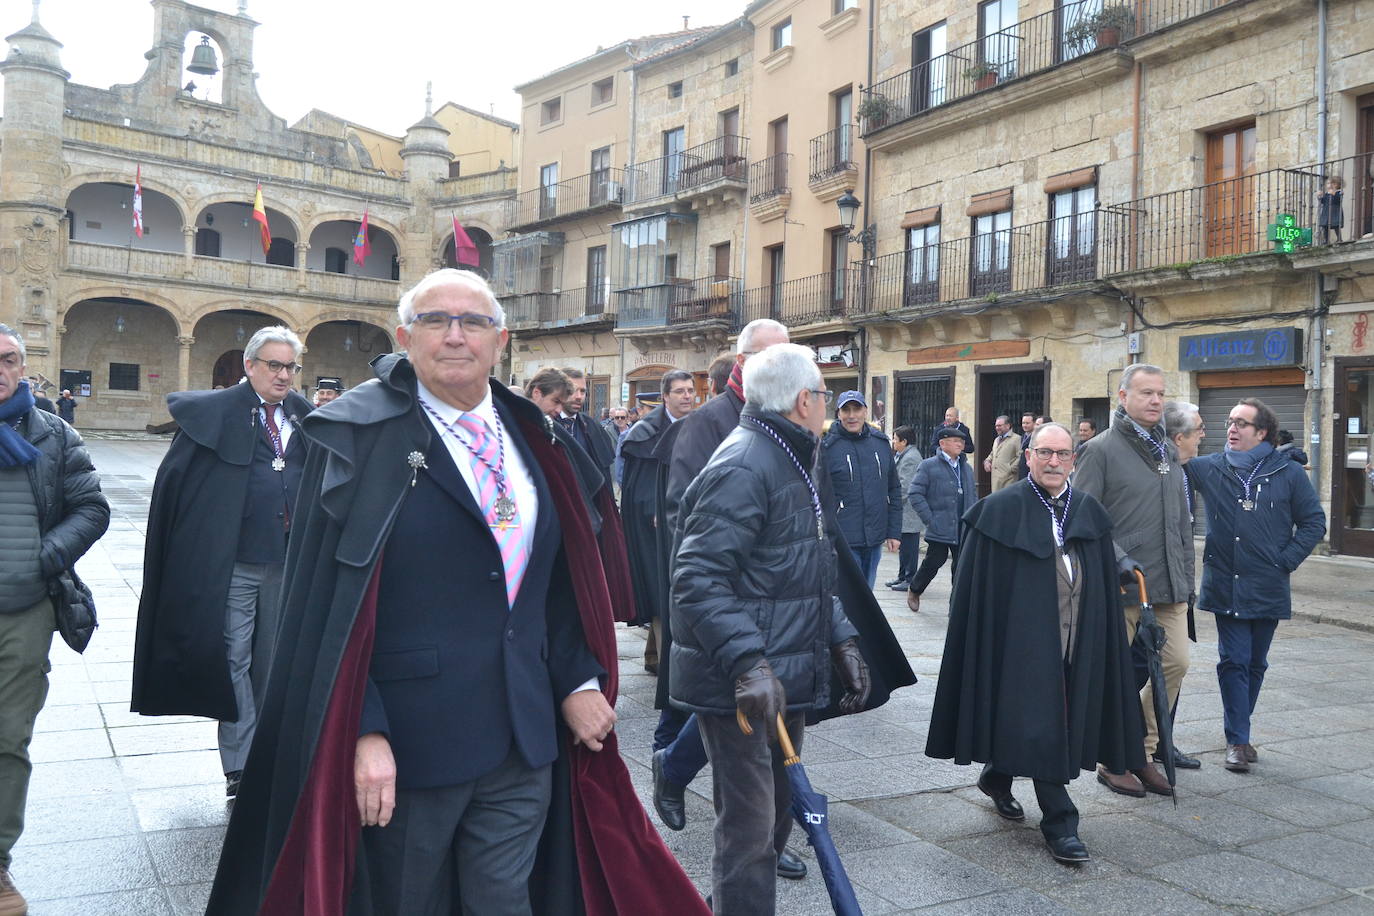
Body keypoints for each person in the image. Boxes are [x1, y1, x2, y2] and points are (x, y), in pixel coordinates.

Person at [207, 269, 704, 915]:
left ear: (500, 340)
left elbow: (553, 584)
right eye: (436, 321)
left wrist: (576, 681)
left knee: (504, 901)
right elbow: (325, 612)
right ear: (405, 336)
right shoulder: (354, 438)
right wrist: (364, 732)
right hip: (413, 748)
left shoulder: (533, 438)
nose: (455, 336)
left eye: (472, 322)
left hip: (524, 738)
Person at [671, 342, 869, 914]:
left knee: (778, 814)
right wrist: (747, 663)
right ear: (804, 399)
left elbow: (803, 565)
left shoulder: (788, 453)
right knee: (751, 830)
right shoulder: (745, 461)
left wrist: (840, 636)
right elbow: (698, 577)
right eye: (825, 394)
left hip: (781, 669)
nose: (828, 405)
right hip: (741, 680)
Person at [926, 423, 1145, 865]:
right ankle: (1061, 822)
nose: (1054, 462)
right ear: (1028, 457)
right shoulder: (998, 511)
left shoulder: (1086, 509)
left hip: (1074, 642)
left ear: (1073, 462)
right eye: (1045, 453)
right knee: (1041, 724)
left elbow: (1097, 568)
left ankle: (997, 775)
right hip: (1019, 648)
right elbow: (974, 591)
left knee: (1047, 722)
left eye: (1063, 455)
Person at [131, 326, 314, 798]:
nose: (283, 375)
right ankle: (241, 766)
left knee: (272, 664)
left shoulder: (304, 417)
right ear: (249, 366)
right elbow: (178, 485)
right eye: (273, 365)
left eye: (290, 367)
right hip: (234, 565)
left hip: (286, 564)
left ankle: (267, 754)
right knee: (234, 659)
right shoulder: (213, 415)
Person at [0, 324, 110, 916]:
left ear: (24, 368)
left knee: (6, 738)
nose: (1, 369)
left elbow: (91, 507)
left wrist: (38, 559)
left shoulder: (52, 434)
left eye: (10, 359)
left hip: (21, 609)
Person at [1185, 398, 1325, 773]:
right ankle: (1237, 739)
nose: (1231, 428)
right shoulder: (1209, 467)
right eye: (1229, 421)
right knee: (1234, 660)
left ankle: (1240, 731)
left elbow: (1313, 522)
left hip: (1268, 583)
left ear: (1262, 433)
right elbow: (1169, 468)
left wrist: (1285, 561)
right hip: (1224, 582)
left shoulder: (1288, 472)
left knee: (1256, 663)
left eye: (1241, 423)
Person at [1075, 364, 1195, 797]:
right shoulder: (1100, 450)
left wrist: (1186, 578)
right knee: (1118, 677)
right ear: (1122, 397)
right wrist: (1119, 561)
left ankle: (1142, 749)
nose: (1156, 401)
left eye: (1160, 393)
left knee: (1175, 663)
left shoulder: (1168, 450)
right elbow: (1084, 518)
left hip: (1169, 584)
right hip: (1124, 584)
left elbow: (1181, 522)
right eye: (1146, 393)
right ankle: (1114, 758)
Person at [620, 369, 695, 675]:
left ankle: (654, 655)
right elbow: (639, 485)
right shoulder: (644, 433)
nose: (688, 396)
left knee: (676, 583)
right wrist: (656, 510)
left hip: (686, 519)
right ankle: (666, 662)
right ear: (665, 397)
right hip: (653, 524)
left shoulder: (699, 426)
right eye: (680, 391)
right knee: (659, 585)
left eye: (691, 390)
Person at [821, 390, 901, 588]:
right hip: (843, 539)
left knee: (867, 595)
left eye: (856, 409)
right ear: (838, 414)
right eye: (845, 410)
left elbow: (894, 489)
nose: (851, 415)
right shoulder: (827, 448)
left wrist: (894, 532)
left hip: (874, 538)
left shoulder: (881, 443)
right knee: (848, 598)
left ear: (865, 411)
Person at [906, 427, 976, 613]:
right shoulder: (929, 466)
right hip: (940, 525)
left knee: (961, 568)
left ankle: (956, 608)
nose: (960, 444)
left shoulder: (966, 468)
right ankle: (915, 589)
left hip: (962, 526)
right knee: (934, 561)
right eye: (955, 441)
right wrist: (930, 519)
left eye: (961, 441)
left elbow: (973, 496)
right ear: (943, 443)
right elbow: (915, 493)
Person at [558, 367, 617, 483]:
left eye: (583, 391)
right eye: (573, 390)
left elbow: (604, 476)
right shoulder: (545, 424)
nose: (579, 396)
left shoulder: (594, 428)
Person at [888, 425, 923, 591]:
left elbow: (904, 486)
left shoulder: (911, 458)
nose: (893, 442)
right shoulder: (903, 454)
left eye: (895, 439)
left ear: (904, 441)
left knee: (910, 546)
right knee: (903, 545)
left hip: (909, 509)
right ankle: (902, 576)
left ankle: (910, 579)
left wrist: (892, 502)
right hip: (903, 510)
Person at [984, 414, 1019, 492]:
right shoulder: (996, 440)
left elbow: (1020, 456)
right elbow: (993, 454)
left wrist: (1010, 469)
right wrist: (987, 461)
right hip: (995, 480)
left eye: (1000, 426)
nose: (997, 428)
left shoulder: (1016, 439)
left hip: (1009, 480)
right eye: (996, 426)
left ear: (1008, 425)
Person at [1317, 175, 1344, 244]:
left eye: (1331, 183)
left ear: (1337, 185)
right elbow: (1323, 201)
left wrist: (1334, 194)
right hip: (1327, 211)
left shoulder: (1339, 192)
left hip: (1335, 211)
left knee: (1336, 226)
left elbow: (1338, 200)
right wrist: (1320, 197)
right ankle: (1326, 240)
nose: (1329, 185)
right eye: (1328, 183)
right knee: (1325, 226)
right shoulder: (1327, 193)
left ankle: (1339, 239)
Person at [1016, 411, 1036, 479]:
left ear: (1034, 423)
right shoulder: (1021, 437)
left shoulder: (1036, 438)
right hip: (1020, 473)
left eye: (1027, 423)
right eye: (1023, 423)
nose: (1024, 425)